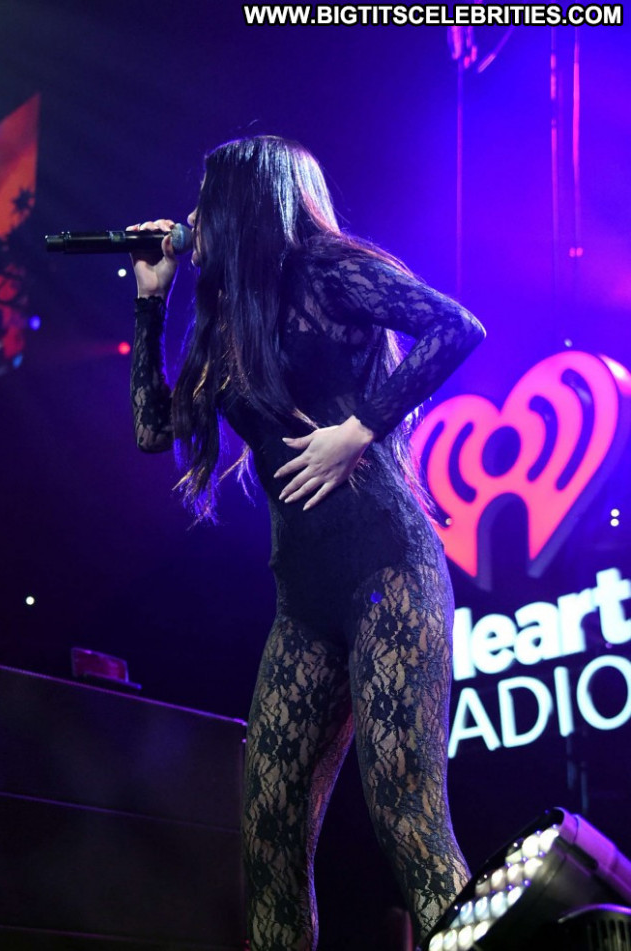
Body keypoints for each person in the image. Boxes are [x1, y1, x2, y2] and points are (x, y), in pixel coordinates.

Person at [128, 135, 485, 951]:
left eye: (206, 199)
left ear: (244, 202)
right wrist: (151, 300)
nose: (192, 217)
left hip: (389, 569)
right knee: (269, 843)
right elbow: (153, 430)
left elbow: (455, 326)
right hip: (304, 604)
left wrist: (358, 430)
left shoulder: (330, 272)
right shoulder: (228, 320)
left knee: (409, 823)